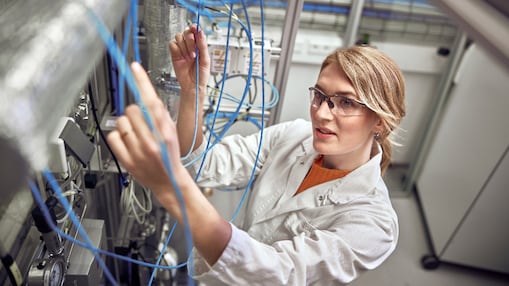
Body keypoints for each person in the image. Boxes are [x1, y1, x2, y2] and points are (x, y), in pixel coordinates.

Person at [107, 24, 406, 285]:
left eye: (346, 103)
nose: (322, 113)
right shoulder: (294, 136)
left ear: (380, 120)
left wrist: (170, 187)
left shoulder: (374, 224)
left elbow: (275, 275)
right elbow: (202, 165)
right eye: (320, 96)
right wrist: (193, 92)